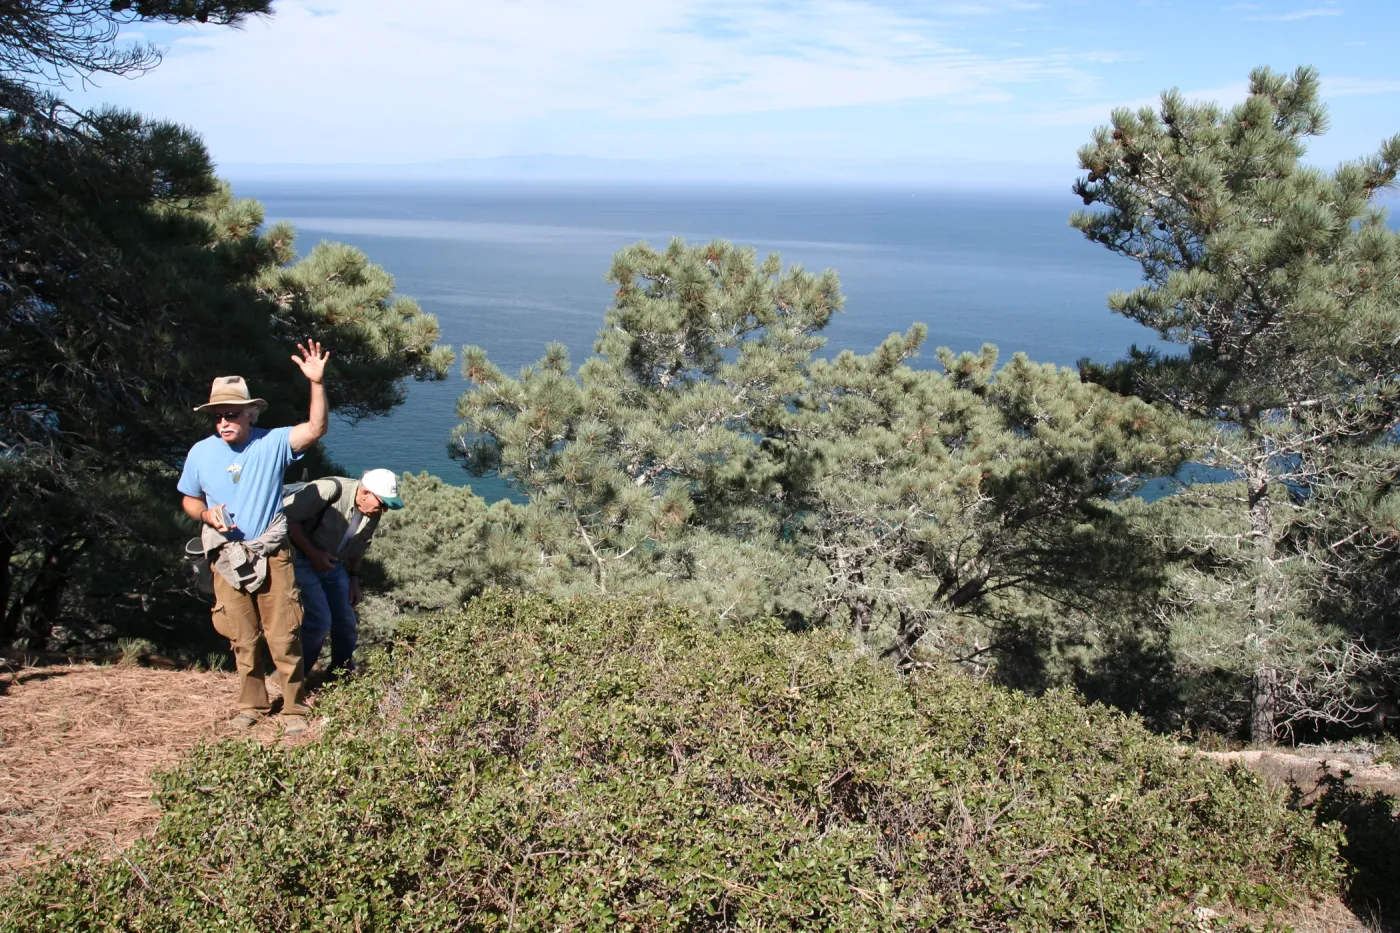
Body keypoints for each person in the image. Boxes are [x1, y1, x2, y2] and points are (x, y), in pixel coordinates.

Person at [178, 342, 329, 734]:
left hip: (271, 553)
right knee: (241, 638)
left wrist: (316, 383)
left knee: (284, 635)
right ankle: (252, 705)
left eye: (231, 414)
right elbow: (189, 498)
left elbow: (315, 429)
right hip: (226, 557)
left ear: (250, 413)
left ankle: (294, 708)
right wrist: (205, 514)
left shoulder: (272, 443)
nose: (223, 422)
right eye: (217, 416)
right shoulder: (200, 453)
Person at [283, 469, 403, 680]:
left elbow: (360, 545)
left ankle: (339, 675)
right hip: (301, 557)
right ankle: (291, 679)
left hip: (333, 563)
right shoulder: (330, 490)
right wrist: (313, 554)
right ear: (365, 493)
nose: (383, 510)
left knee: (347, 623)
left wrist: (354, 578)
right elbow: (286, 518)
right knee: (319, 622)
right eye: (382, 503)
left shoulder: (372, 511)